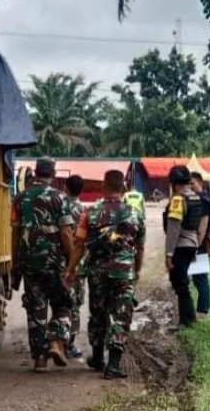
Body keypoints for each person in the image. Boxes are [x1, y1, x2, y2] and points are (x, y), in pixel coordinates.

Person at [65, 169, 145, 379]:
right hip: (124, 273)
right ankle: (114, 364)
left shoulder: (90, 213)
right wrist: (136, 270)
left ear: (103, 186)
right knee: (121, 314)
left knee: (98, 314)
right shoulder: (136, 214)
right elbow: (140, 247)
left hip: (98, 273)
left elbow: (79, 244)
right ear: (123, 187)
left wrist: (71, 269)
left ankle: (98, 357)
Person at [11, 158, 75, 371]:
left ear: (36, 173)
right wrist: (72, 261)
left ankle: (39, 358)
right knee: (64, 303)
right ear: (53, 174)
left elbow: (16, 233)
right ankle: (55, 340)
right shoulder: (60, 197)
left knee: (35, 309)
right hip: (53, 262)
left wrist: (15, 262)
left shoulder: (20, 198)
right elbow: (65, 233)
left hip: (29, 262)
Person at [164, 165, 206, 329]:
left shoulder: (177, 200)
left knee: (180, 284)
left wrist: (169, 254)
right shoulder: (195, 198)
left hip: (180, 246)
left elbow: (173, 228)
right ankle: (190, 317)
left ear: (173, 183)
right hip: (192, 244)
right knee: (182, 283)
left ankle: (186, 320)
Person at [63, 174, 86, 359]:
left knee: (60, 301)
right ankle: (69, 344)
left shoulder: (60, 206)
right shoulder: (83, 211)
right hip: (77, 262)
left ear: (66, 188)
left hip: (59, 260)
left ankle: (56, 339)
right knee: (74, 303)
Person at [189, 172, 210, 319]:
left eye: (192, 183)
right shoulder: (199, 198)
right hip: (199, 243)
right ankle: (202, 310)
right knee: (198, 277)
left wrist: (196, 245)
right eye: (188, 183)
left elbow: (203, 226)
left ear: (200, 183)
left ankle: (203, 311)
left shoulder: (203, 200)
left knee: (200, 278)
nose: (190, 186)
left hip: (200, 244)